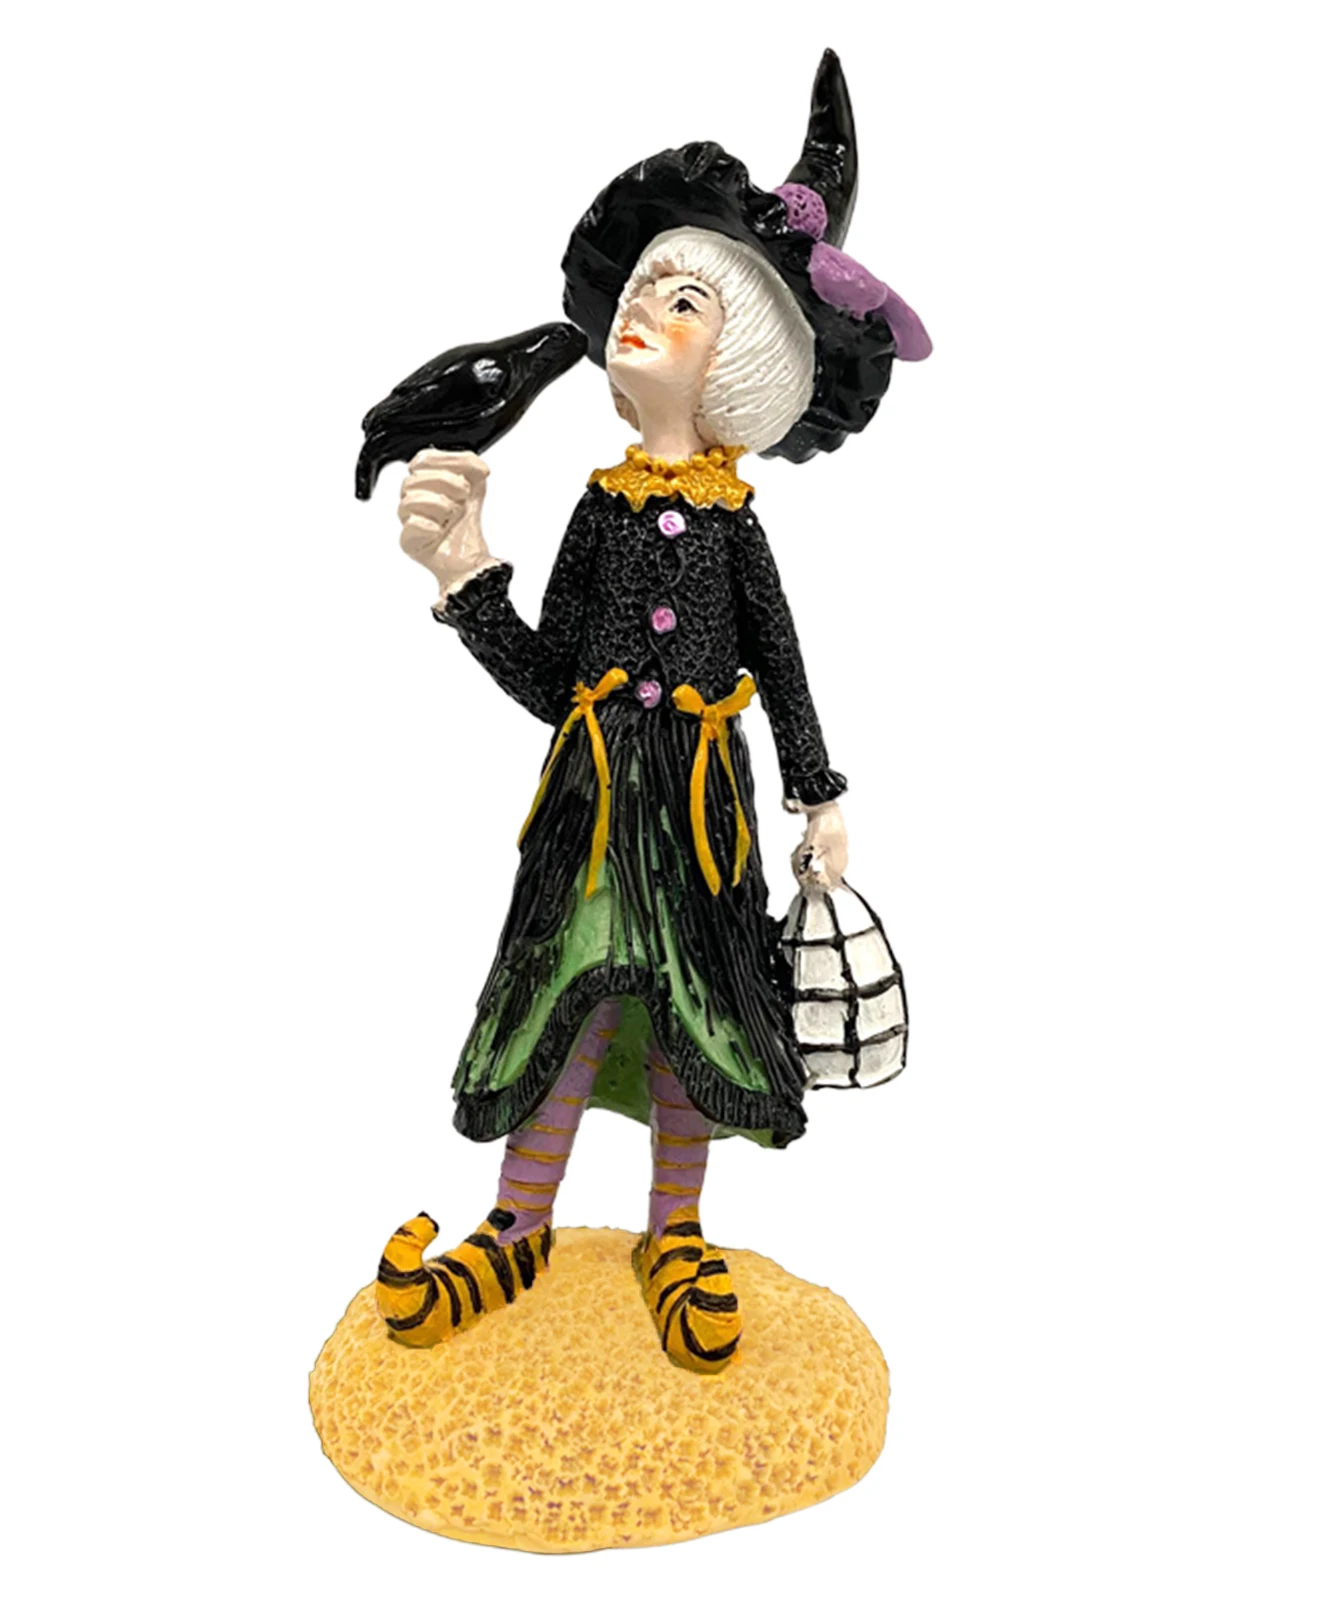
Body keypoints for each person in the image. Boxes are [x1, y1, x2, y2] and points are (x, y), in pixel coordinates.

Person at [360, 51, 929, 1372]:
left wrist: (818, 792)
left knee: (691, 1013)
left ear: (741, 364)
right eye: (642, 290)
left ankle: (676, 1232)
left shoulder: (735, 529)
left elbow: (782, 661)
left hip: (701, 816)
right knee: (564, 998)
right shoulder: (603, 512)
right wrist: (468, 582)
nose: (641, 313)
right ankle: (517, 1225)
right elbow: (556, 683)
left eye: (685, 300)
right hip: (593, 803)